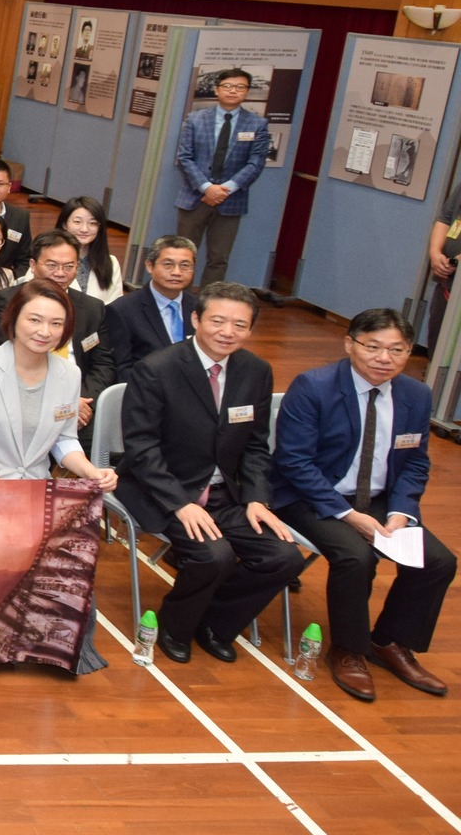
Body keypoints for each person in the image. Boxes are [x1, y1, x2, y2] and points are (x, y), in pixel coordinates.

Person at [271, 308, 457, 701]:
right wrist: (348, 515)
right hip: (310, 497)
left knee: (438, 561)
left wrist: (401, 512)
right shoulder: (314, 386)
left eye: (397, 350)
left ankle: (389, 641)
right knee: (356, 557)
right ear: (349, 344)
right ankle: (348, 650)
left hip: (378, 500)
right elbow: (294, 461)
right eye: (373, 347)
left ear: (409, 352)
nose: (384, 358)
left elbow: (415, 461)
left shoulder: (416, 395)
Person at [116, 282, 301, 664]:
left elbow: (255, 445)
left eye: (239, 325)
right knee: (213, 556)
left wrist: (256, 498)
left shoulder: (256, 371)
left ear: (250, 330)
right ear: (196, 319)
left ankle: (215, 623)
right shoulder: (157, 369)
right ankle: (174, 626)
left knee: (284, 557)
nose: (227, 332)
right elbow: (142, 449)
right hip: (162, 489)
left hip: (224, 493)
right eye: (218, 321)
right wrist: (180, 503)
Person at [0, 282, 118, 490]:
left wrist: (92, 473)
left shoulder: (70, 374)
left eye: (56, 324)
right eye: (35, 320)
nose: (45, 332)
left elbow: (64, 440)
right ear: (14, 317)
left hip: (35, 486)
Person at [0, 230, 113, 431]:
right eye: (51, 265)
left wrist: (81, 401)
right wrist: (62, 404)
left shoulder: (94, 307)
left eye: (69, 266)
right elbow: (8, 357)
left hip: (81, 406)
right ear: (33, 265)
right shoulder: (8, 300)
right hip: (25, 400)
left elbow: (103, 364)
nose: (60, 273)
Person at [176, 69, 272, 288]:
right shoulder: (195, 119)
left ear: (247, 92)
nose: (233, 91)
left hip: (230, 201)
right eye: (228, 86)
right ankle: (180, 298)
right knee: (183, 255)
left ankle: (208, 300)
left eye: (240, 87)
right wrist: (207, 188)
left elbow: (256, 162)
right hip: (194, 197)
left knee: (219, 258)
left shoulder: (257, 124)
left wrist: (225, 189)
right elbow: (185, 157)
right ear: (217, 89)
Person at [104, 234, 199, 384]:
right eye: (168, 264)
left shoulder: (199, 307)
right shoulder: (122, 310)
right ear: (149, 266)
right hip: (147, 388)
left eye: (185, 265)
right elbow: (121, 368)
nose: (177, 272)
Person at [56, 196, 124, 303]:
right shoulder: (47, 257)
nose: (84, 229)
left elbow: (115, 304)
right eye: (77, 222)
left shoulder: (111, 263)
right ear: (64, 224)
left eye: (92, 223)